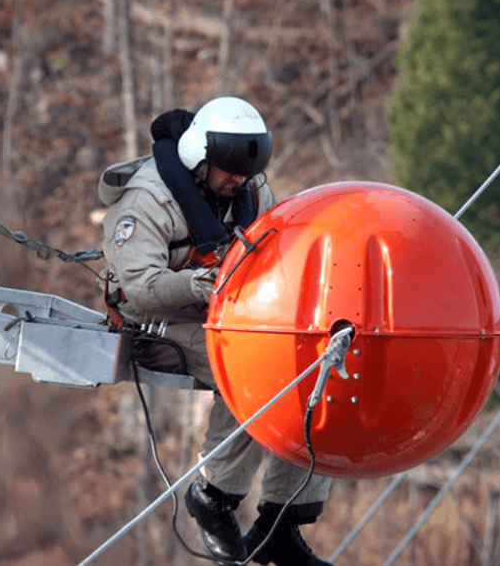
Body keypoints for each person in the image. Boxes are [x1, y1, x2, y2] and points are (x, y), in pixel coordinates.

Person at [99, 96, 334, 566]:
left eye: (244, 172)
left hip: (226, 317)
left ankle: (281, 522)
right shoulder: (148, 201)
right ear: (198, 161)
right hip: (158, 324)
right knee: (262, 373)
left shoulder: (248, 195)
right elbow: (140, 289)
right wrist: (198, 284)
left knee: (318, 370)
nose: (238, 181)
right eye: (228, 171)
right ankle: (214, 498)